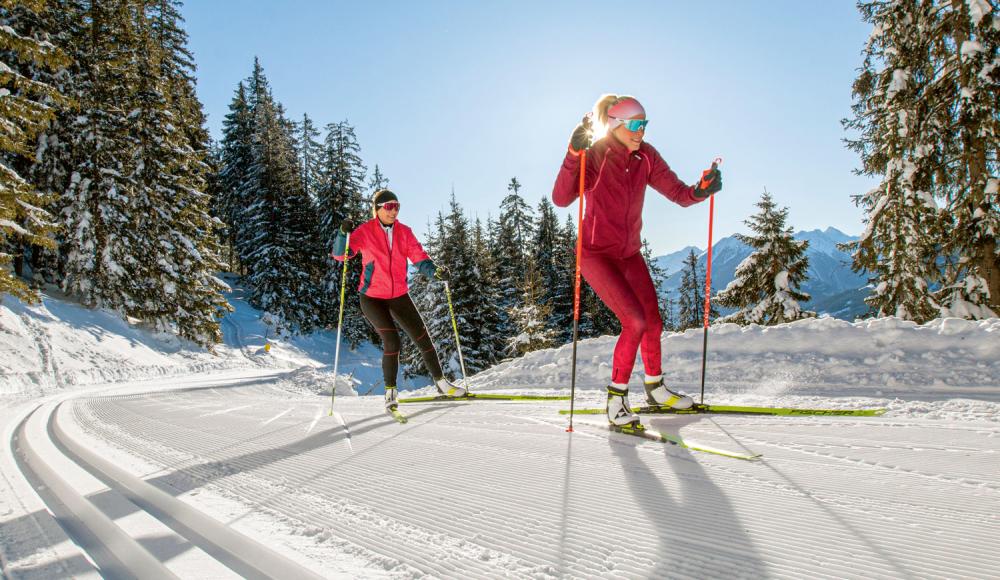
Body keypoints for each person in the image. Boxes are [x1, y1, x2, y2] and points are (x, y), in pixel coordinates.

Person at [552, 94, 722, 428]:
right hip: (595, 255)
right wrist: (573, 153)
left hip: (628, 254)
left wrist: (701, 190)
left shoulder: (646, 156)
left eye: (644, 124)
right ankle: (616, 401)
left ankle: (655, 388)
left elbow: (678, 193)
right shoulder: (596, 153)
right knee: (635, 322)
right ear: (614, 124)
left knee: (654, 323)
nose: (640, 131)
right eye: (634, 124)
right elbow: (561, 198)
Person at [331, 189, 466, 412]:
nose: (394, 211)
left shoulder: (404, 232)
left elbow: (420, 258)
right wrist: (342, 234)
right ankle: (390, 392)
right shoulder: (366, 231)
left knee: (423, 337)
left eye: (397, 206)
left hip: (399, 295)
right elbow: (341, 254)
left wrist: (436, 272)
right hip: (372, 298)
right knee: (393, 342)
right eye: (389, 206)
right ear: (377, 209)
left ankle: (442, 384)